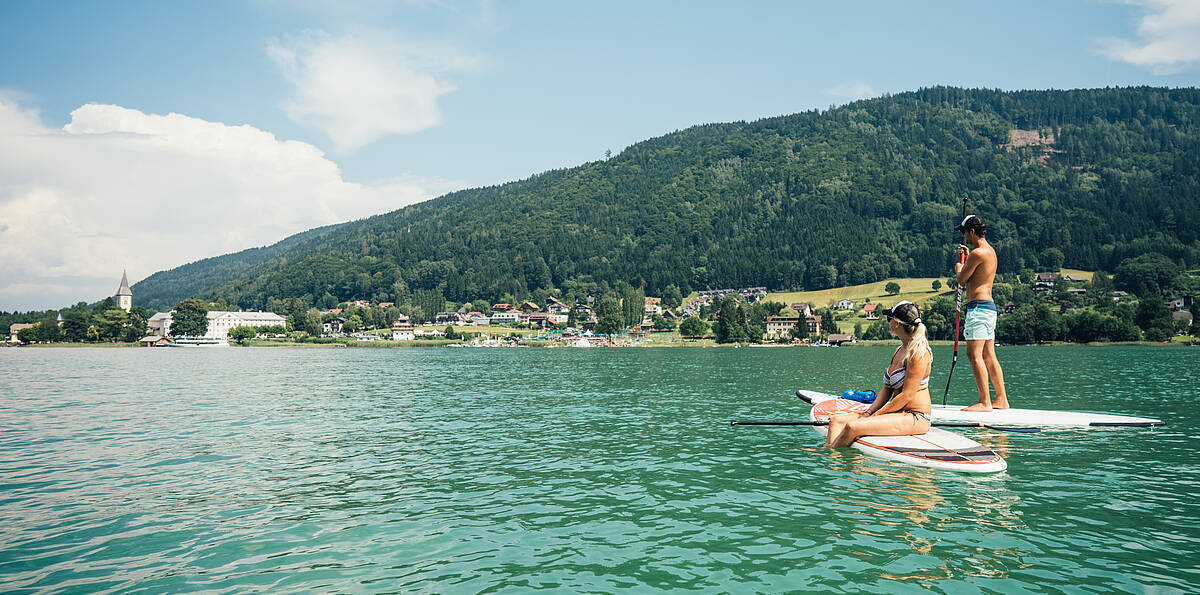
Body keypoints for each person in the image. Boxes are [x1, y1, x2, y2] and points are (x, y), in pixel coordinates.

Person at [826, 301, 932, 448]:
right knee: (835, 421)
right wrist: (869, 413)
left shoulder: (918, 353)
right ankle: (829, 458)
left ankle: (832, 457)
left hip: (915, 417)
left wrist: (877, 415)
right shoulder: (899, 350)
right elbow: (887, 389)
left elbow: (906, 396)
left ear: (897, 324)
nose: (888, 323)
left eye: (890, 319)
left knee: (852, 427)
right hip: (896, 413)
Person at [954, 214, 1009, 411]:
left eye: (964, 233)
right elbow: (976, 275)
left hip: (977, 308)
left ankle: (984, 402)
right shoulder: (989, 252)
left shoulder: (978, 253)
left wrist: (959, 266)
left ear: (972, 231)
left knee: (973, 354)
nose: (964, 237)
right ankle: (1001, 399)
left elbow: (962, 279)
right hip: (989, 308)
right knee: (988, 354)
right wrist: (968, 259)